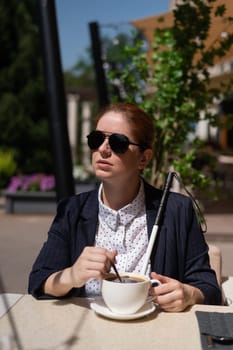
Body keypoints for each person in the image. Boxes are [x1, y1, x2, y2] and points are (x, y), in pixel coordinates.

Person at [28, 102, 222, 312]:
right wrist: (72, 275)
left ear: (143, 158)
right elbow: (40, 280)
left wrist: (188, 294)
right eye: (97, 139)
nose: (103, 149)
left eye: (118, 142)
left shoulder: (177, 210)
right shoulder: (72, 210)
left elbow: (209, 289)